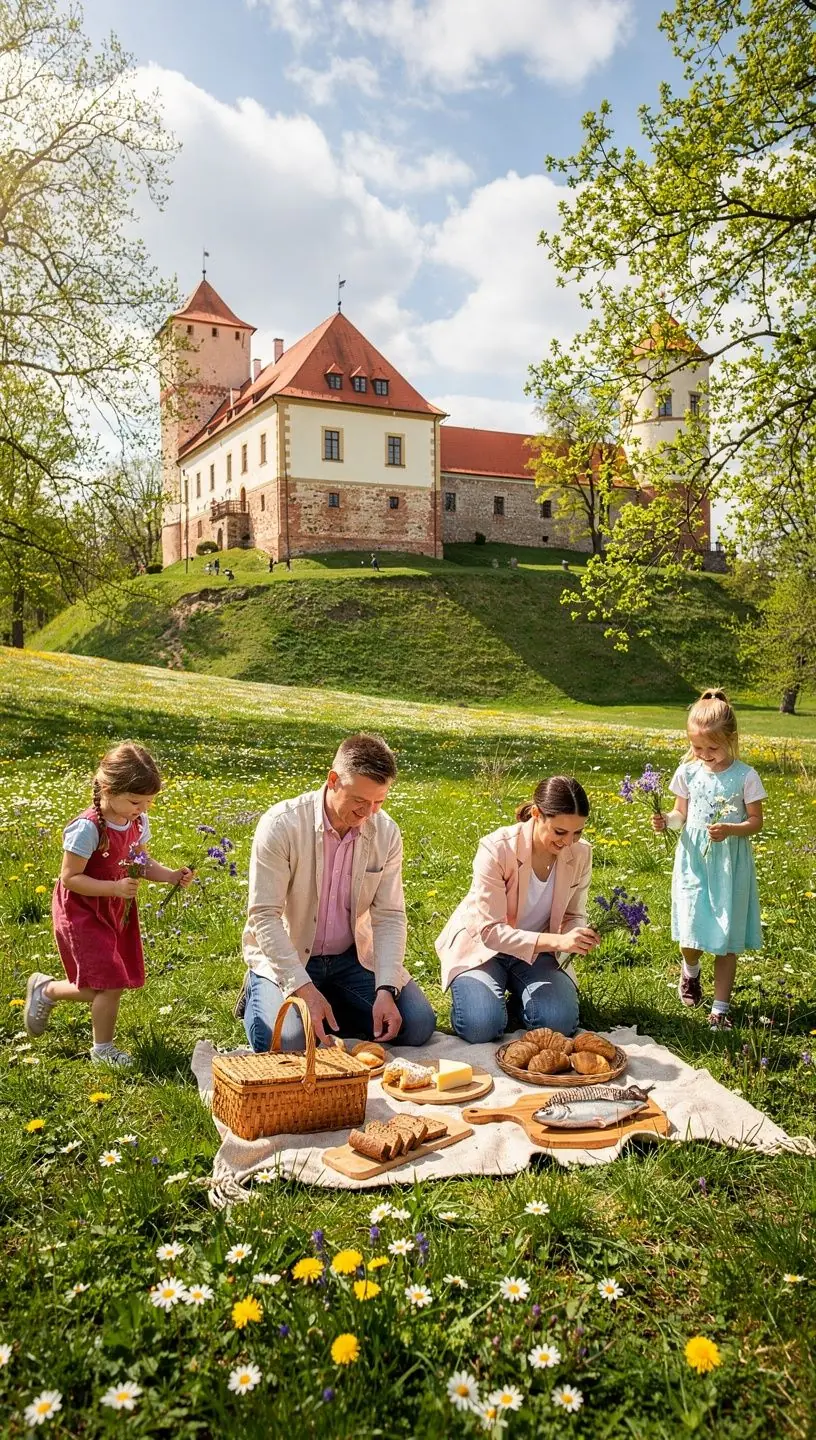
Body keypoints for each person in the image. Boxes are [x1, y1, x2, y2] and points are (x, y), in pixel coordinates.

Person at [239, 733, 436, 1052]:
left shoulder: (385, 832)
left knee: (417, 1025)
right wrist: (302, 987)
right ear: (333, 781)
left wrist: (386, 988)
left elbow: (389, 916)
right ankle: (262, 990)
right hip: (291, 956)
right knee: (289, 1043)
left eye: (379, 802)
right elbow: (264, 917)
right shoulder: (281, 825)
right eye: (360, 801)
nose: (369, 813)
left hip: (352, 958)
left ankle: (329, 1004)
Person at [23, 742, 194, 1066]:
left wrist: (170, 876)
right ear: (106, 788)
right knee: (108, 984)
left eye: (148, 802)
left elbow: (140, 862)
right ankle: (102, 1050)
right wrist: (113, 887)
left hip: (114, 911)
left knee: (107, 984)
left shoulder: (138, 823)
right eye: (135, 801)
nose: (142, 809)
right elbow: (70, 878)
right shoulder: (88, 828)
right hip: (81, 912)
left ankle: (47, 990)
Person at [435, 776, 599, 1043]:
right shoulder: (497, 848)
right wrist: (559, 940)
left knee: (559, 1023)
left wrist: (577, 934)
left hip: (539, 952)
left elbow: (573, 914)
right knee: (480, 1027)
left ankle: (517, 995)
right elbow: (490, 931)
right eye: (560, 832)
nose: (569, 842)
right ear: (536, 814)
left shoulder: (580, 854)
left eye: (577, 832)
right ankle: (485, 994)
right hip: (483, 948)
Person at [652, 688, 765, 1030]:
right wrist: (665, 822)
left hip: (729, 865)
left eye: (712, 748)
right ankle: (690, 971)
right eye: (698, 748)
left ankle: (720, 1008)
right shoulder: (688, 772)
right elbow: (679, 815)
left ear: (730, 739)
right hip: (693, 861)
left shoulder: (745, 776)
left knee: (725, 937)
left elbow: (756, 822)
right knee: (690, 931)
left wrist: (732, 829)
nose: (704, 755)